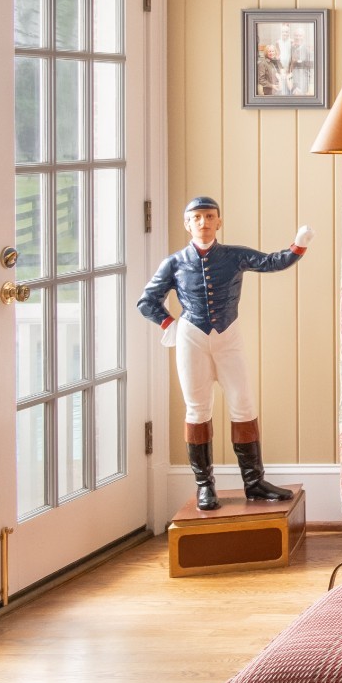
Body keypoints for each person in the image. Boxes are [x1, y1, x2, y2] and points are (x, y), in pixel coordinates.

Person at [136, 197, 312, 510]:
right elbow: (146, 301)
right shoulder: (174, 263)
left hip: (229, 337)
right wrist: (168, 323)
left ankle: (254, 482)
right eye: (197, 217)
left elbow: (272, 261)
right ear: (187, 224)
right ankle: (205, 486)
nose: (203, 222)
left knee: (243, 405)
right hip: (192, 338)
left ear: (219, 221)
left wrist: (299, 245)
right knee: (197, 409)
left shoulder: (233, 255)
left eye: (209, 216)